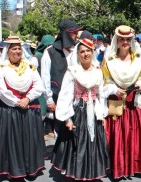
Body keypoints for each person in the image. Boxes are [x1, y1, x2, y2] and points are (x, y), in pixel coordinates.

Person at [52, 38, 110, 180]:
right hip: (78, 111)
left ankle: (91, 173)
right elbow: (65, 96)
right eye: (82, 51)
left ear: (93, 52)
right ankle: (79, 174)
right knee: (78, 145)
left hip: (94, 111)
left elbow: (101, 94)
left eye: (88, 51)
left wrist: (102, 114)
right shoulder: (72, 72)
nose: (85, 54)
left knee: (93, 144)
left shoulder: (98, 72)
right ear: (77, 54)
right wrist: (67, 119)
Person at [0, 36, 45, 179]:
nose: (17, 51)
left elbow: (38, 85)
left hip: (29, 108)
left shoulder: (29, 67)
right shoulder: (1, 69)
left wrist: (27, 98)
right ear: (7, 52)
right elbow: (1, 90)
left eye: (19, 48)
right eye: (14, 49)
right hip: (10, 110)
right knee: (12, 141)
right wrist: (16, 101)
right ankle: (13, 170)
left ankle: (29, 168)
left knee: (28, 140)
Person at [101, 25, 141, 179]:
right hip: (116, 104)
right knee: (117, 136)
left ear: (131, 40)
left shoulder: (138, 59)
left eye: (128, 39)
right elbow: (104, 81)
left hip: (132, 103)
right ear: (117, 40)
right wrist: (114, 89)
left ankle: (133, 166)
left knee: (133, 136)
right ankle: (118, 167)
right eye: (121, 39)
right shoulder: (108, 60)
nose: (125, 42)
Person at [41, 18, 82, 139]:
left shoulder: (76, 51)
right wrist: (49, 99)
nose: (76, 35)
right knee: (61, 132)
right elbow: (45, 78)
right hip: (58, 99)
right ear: (67, 34)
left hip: (77, 100)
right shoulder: (50, 52)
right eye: (74, 33)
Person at [34, 34, 55, 141]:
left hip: (50, 85)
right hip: (39, 87)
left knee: (50, 110)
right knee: (42, 109)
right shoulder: (37, 56)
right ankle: (41, 131)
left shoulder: (53, 54)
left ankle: (49, 129)